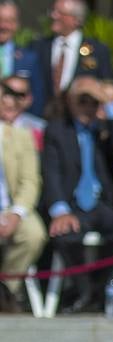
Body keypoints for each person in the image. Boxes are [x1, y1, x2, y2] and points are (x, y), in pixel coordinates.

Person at [40, 75, 113, 313]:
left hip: (101, 203)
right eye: (82, 100)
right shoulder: (57, 130)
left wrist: (107, 101)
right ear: (70, 101)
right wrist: (60, 210)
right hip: (72, 204)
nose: (87, 106)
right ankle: (85, 291)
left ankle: (95, 288)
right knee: (64, 235)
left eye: (93, 101)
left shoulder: (105, 129)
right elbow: (51, 174)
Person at [22, 0, 113, 119]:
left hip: (77, 123)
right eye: (53, 11)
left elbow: (106, 86)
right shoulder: (38, 47)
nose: (53, 15)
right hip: (41, 120)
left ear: (76, 19)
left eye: (60, 12)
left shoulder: (97, 51)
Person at [0, 88, 44, 305]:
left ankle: (7, 287)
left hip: (12, 206)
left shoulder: (21, 135)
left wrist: (16, 213)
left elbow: (30, 180)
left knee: (34, 234)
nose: (8, 105)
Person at [0, 1, 23, 80]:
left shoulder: (30, 59)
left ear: (17, 25)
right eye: (0, 19)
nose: (2, 26)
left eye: (9, 21)